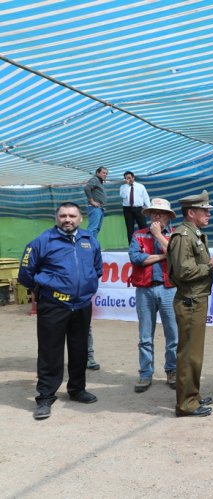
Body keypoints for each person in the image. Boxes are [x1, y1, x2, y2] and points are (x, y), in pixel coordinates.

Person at [18, 202, 103, 420]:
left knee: (80, 350)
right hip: (54, 306)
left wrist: (87, 287)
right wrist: (43, 289)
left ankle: (77, 389)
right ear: (57, 218)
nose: (67, 219)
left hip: (82, 305)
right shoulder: (42, 241)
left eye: (72, 216)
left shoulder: (89, 240)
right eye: (63, 215)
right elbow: (25, 273)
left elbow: (97, 268)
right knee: (50, 352)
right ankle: (45, 397)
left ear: (80, 218)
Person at [167, 190, 213, 417]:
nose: (208, 214)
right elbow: (184, 272)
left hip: (196, 299)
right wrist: (211, 266)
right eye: (204, 211)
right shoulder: (184, 236)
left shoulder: (194, 233)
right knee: (189, 354)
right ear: (191, 213)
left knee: (194, 353)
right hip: (190, 301)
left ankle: (192, 395)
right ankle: (186, 404)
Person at [128, 198, 178, 393]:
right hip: (144, 289)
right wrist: (165, 255)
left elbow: (176, 254)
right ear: (149, 215)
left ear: (168, 216)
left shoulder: (175, 235)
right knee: (145, 336)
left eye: (161, 212)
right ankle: (145, 373)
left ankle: (172, 371)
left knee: (173, 335)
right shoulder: (138, 234)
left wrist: (158, 235)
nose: (157, 215)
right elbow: (136, 258)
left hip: (169, 289)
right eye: (154, 212)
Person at [83, 166, 108, 370]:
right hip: (95, 207)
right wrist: (92, 201)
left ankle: (93, 243)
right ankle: (91, 244)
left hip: (100, 207)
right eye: (103, 172)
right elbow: (86, 188)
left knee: (97, 228)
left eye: (107, 173)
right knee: (93, 228)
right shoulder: (93, 180)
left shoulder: (99, 183)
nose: (105, 175)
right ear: (97, 172)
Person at [119, 171, 150, 244]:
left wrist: (149, 208)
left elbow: (146, 197)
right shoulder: (123, 187)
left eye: (129, 178)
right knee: (130, 228)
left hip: (139, 208)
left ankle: (146, 243)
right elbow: (123, 196)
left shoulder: (140, 186)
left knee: (143, 226)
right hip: (127, 209)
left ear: (133, 177)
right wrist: (126, 185)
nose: (128, 179)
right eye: (126, 178)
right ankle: (132, 246)